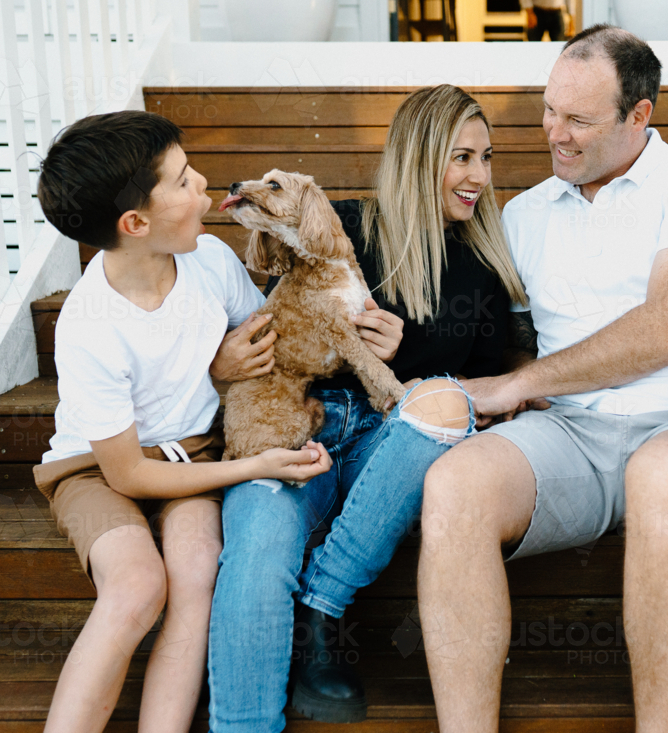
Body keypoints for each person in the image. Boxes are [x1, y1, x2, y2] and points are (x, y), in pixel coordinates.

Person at [418, 25, 668, 732]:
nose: (556, 134)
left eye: (579, 119)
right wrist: (514, 377)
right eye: (550, 110)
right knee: (454, 485)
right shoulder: (523, 215)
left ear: (639, 115)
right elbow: (506, 344)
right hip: (569, 433)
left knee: (664, 481)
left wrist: (523, 382)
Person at [206, 84, 528, 730]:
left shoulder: (480, 268)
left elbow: (488, 386)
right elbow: (281, 331)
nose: (479, 178)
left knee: (442, 401)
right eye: (461, 157)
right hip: (294, 419)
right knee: (259, 547)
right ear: (419, 156)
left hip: (388, 444)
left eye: (486, 158)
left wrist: (407, 353)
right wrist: (222, 364)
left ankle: (320, 605)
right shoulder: (341, 224)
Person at [31, 111, 332, 733]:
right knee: (138, 586)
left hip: (195, 451)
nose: (205, 186)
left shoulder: (211, 261)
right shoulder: (89, 326)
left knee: (195, 571)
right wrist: (254, 464)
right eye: (184, 179)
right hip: (98, 468)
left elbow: (263, 341)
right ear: (135, 223)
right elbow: (129, 474)